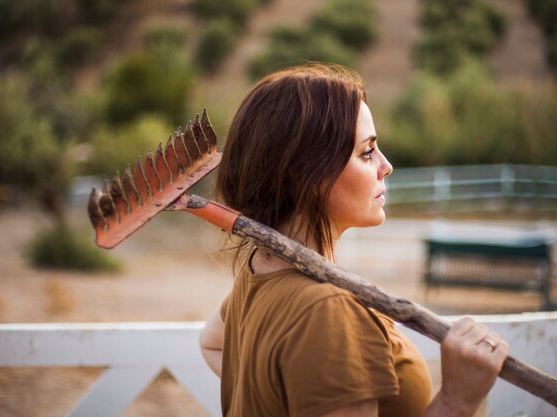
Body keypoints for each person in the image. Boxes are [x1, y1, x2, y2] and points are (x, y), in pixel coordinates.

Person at [200, 64, 509, 417]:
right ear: (308, 175)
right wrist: (458, 400)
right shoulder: (328, 310)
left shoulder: (259, 270)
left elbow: (211, 344)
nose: (386, 165)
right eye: (366, 152)